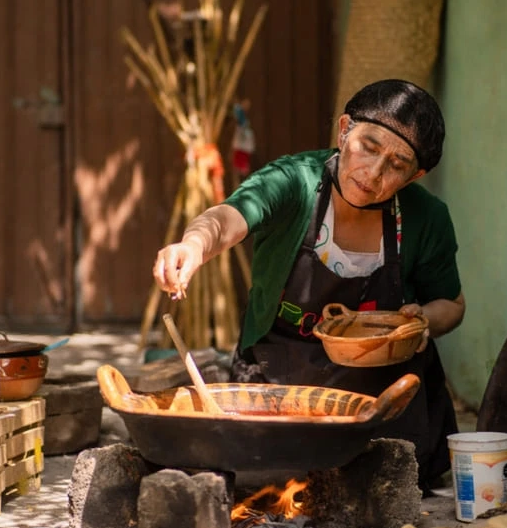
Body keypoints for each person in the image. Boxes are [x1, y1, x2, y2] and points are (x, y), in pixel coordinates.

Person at [153, 79, 465, 490]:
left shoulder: (426, 218)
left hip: (379, 391)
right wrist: (193, 246)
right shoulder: (294, 181)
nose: (373, 173)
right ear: (344, 130)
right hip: (282, 373)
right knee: (267, 481)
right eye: (368, 146)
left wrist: (422, 319)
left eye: (397, 164)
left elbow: (452, 304)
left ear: (415, 175)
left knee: (380, 485)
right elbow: (228, 218)